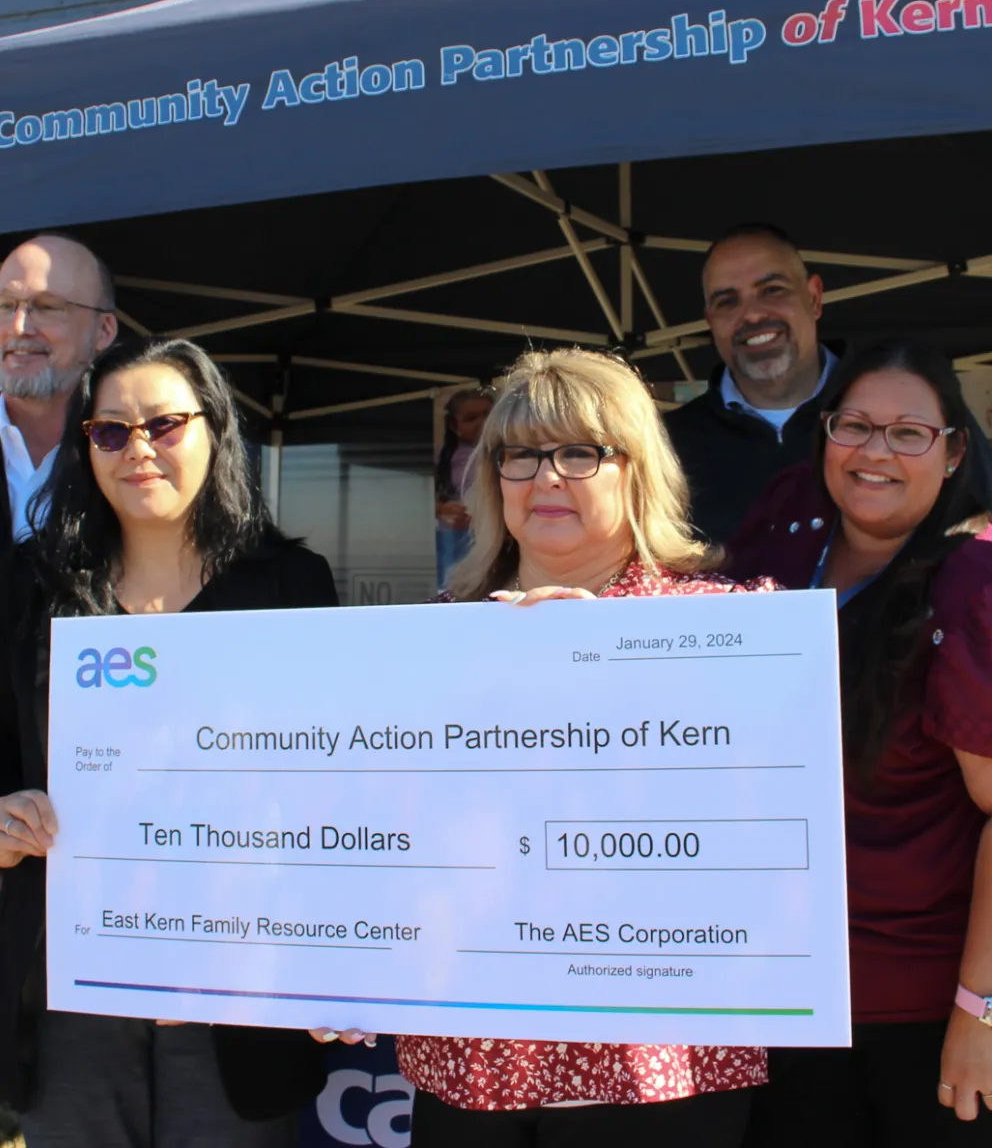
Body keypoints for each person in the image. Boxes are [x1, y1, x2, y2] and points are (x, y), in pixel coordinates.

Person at [316, 347, 776, 1148]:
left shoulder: (725, 629)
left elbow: (763, 826)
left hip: (655, 1070)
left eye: (578, 451)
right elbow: (376, 826)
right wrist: (336, 956)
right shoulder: (424, 640)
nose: (545, 476)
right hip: (471, 1064)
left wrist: (603, 667)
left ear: (636, 468)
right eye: (520, 454)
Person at [0, 336, 337, 1147]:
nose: (138, 448)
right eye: (110, 431)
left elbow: (338, 779)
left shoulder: (291, 587)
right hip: (70, 987)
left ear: (216, 431)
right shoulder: (26, 586)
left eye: (164, 423)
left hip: (239, 989)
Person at [728, 340, 992, 1147]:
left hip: (918, 1005)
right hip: (775, 988)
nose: (876, 451)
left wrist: (979, 1011)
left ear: (951, 453)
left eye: (909, 433)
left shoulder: (971, 585)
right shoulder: (783, 529)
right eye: (855, 425)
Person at [664, 225, 836, 544]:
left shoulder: (893, 415)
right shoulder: (664, 447)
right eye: (727, 301)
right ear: (710, 321)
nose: (753, 315)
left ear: (814, 297)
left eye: (772, 290)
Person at [0, 233, 118, 544]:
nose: (18, 327)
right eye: (5, 305)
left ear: (103, 330)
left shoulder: (133, 451)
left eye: (47, 307)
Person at [435, 387, 493, 587]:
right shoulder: (446, 455)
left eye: (487, 415)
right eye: (471, 418)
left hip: (489, 531)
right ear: (454, 424)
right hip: (456, 534)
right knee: (455, 587)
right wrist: (441, 509)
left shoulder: (500, 451)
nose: (481, 422)